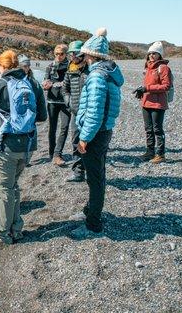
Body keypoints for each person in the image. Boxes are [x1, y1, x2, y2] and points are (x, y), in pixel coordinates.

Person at [0, 50, 47, 247]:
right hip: (27, 146)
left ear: (1, 66)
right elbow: (42, 116)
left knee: (5, 190)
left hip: (6, 146)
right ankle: (16, 229)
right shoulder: (32, 83)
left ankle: (2, 233)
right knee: (13, 186)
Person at [69, 28, 124, 238]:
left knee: (95, 178)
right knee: (98, 175)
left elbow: (94, 112)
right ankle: (90, 211)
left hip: (95, 133)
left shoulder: (97, 77)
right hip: (104, 131)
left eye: (84, 54)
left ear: (91, 55)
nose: (82, 58)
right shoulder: (109, 74)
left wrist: (84, 138)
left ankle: (93, 224)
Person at [133, 41, 172, 163]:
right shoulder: (148, 67)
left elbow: (166, 86)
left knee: (157, 129)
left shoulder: (163, 68)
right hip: (146, 102)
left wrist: (147, 88)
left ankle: (160, 155)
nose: (151, 56)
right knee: (148, 129)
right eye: (150, 53)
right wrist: (142, 91)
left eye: (154, 53)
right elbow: (148, 85)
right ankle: (150, 152)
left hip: (158, 104)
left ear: (160, 55)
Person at [62, 40, 89, 182]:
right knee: (75, 142)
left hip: (90, 114)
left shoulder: (90, 71)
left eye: (73, 54)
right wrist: (69, 103)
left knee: (90, 143)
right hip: (75, 112)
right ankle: (78, 173)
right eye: (70, 55)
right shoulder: (70, 70)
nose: (71, 57)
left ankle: (92, 172)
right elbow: (64, 89)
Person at [42, 44, 70, 166]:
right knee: (52, 128)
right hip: (52, 101)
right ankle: (51, 152)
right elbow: (45, 80)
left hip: (65, 101)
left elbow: (70, 83)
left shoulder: (71, 66)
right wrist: (45, 85)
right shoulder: (50, 66)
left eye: (61, 54)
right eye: (56, 54)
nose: (59, 56)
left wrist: (55, 84)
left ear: (66, 54)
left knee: (64, 127)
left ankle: (58, 154)